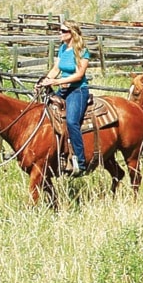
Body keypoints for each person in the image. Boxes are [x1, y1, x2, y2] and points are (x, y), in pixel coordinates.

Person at [39, 20, 90, 176]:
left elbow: (79, 75)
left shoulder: (81, 50)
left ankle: (81, 162)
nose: (60, 33)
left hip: (77, 90)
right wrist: (45, 81)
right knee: (44, 113)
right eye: (60, 30)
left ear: (72, 33)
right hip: (63, 89)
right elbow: (56, 69)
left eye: (63, 31)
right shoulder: (62, 49)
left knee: (72, 121)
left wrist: (57, 81)